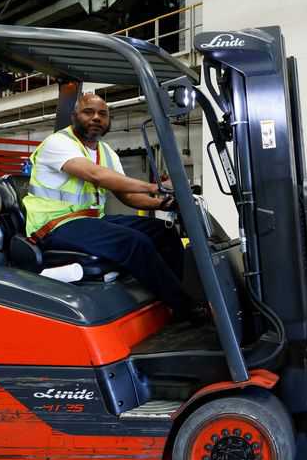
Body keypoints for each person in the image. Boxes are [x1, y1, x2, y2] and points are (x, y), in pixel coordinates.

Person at [23, 92, 192, 313]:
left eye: (102, 114)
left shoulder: (107, 152)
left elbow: (127, 195)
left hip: (90, 221)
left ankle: (166, 299)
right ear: (75, 115)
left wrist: (162, 204)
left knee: (164, 232)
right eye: (88, 112)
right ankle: (184, 307)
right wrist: (154, 187)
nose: (96, 118)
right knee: (134, 242)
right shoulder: (58, 143)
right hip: (54, 225)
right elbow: (95, 175)